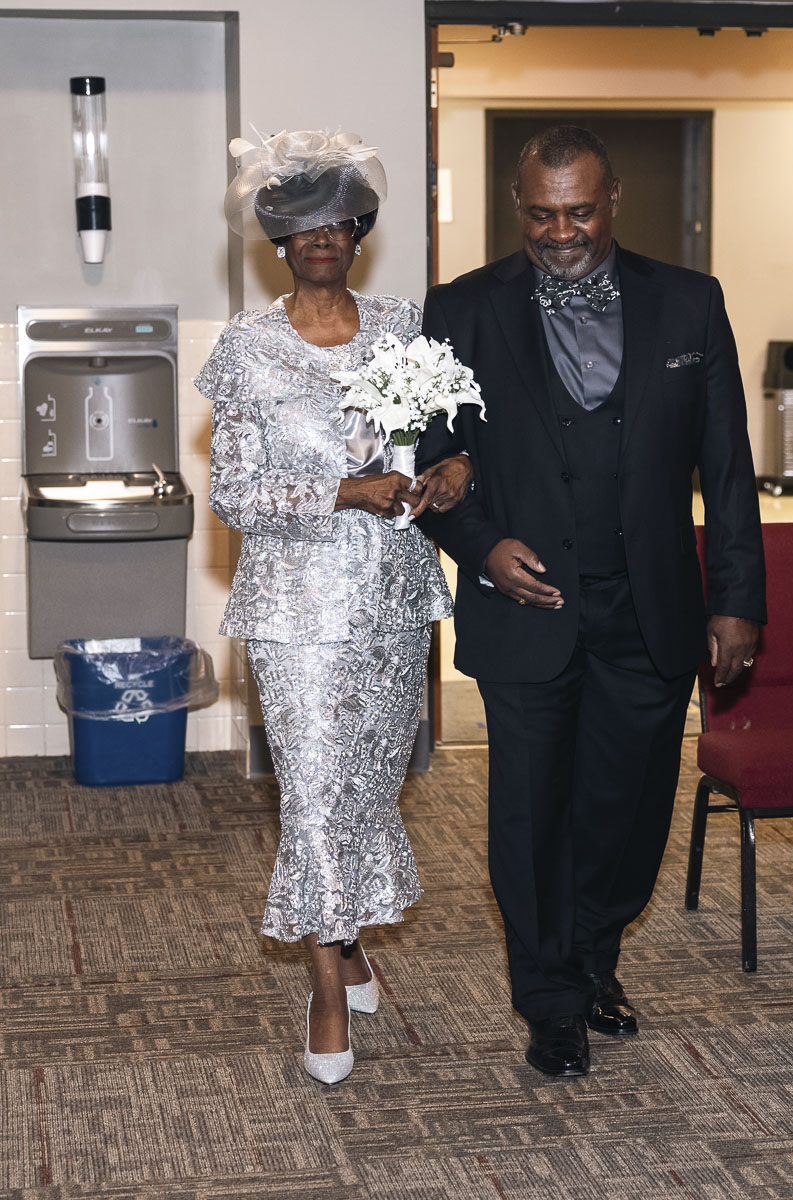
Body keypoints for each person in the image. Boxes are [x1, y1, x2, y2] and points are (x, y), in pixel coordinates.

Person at [417, 126, 765, 1078]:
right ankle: (552, 1001)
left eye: (577, 212)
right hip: (524, 608)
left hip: (650, 606)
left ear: (613, 199)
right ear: (517, 206)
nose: (560, 233)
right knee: (531, 813)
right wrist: (481, 545)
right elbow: (432, 460)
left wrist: (737, 598)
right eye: (541, 214)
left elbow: (728, 464)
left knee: (628, 808)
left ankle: (593, 955)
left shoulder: (690, 303)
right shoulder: (459, 309)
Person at [197, 129, 472, 1085]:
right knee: (313, 793)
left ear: (359, 232)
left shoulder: (403, 327)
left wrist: (448, 470)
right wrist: (343, 493)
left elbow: (441, 437)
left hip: (394, 598)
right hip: (295, 609)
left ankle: (346, 936)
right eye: (302, 225)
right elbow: (233, 495)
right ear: (279, 241)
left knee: (369, 785)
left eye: (338, 222)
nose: (322, 238)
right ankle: (323, 985)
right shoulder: (248, 346)